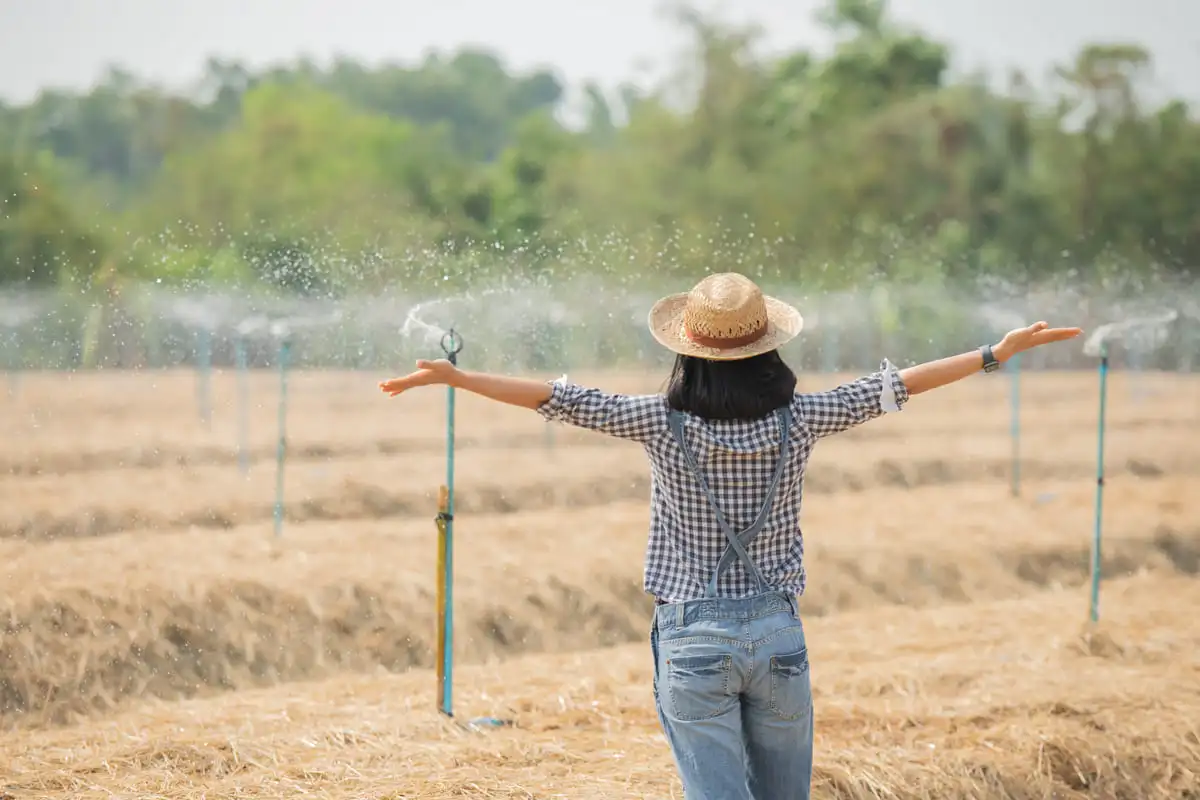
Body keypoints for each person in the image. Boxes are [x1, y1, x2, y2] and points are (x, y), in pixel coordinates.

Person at [379, 272, 1082, 800]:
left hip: (692, 641)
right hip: (778, 638)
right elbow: (896, 387)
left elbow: (557, 398)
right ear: (769, 353)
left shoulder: (659, 424)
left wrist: (460, 378)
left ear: (688, 355)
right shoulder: (800, 420)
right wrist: (995, 353)